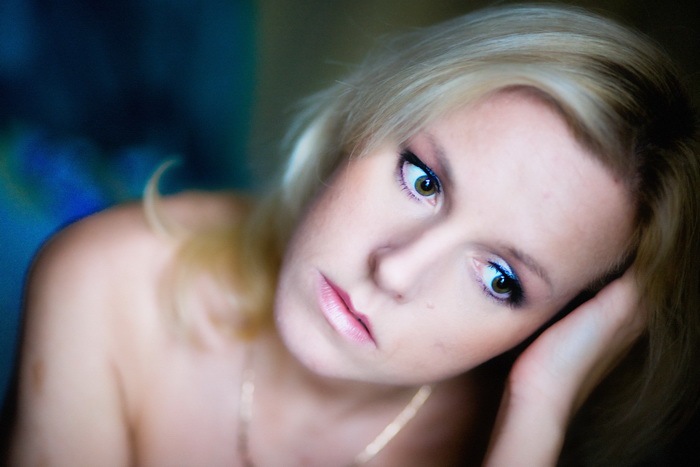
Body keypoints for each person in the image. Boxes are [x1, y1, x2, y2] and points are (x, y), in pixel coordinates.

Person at [6, 3, 699, 465]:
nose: (394, 271)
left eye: (500, 279)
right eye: (423, 179)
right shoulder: (110, 282)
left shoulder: (508, 442)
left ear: (556, 324)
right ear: (367, 118)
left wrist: (539, 409)